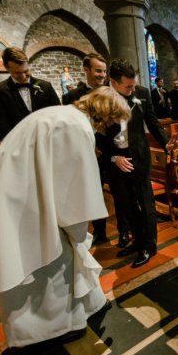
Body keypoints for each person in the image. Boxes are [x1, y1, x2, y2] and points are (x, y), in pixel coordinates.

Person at [0, 86, 130, 349]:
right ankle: (51, 328)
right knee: (52, 260)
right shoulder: (76, 127)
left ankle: (87, 307)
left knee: (59, 255)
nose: (113, 125)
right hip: (26, 203)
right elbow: (72, 193)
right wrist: (79, 232)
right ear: (105, 114)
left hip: (14, 194)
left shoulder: (59, 113)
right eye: (114, 119)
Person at [103, 59, 178, 268]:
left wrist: (167, 143)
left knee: (146, 203)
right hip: (115, 160)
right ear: (113, 82)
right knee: (126, 204)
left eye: (133, 84)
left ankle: (149, 246)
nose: (132, 89)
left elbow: (153, 122)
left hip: (138, 157)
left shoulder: (143, 93)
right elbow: (96, 136)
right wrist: (114, 157)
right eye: (128, 86)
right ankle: (137, 241)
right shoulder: (101, 97)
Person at [61, 52, 129, 246]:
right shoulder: (72, 96)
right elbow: (71, 129)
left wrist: (111, 151)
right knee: (93, 192)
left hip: (113, 153)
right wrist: (90, 147)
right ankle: (99, 231)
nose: (101, 75)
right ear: (86, 70)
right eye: (98, 70)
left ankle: (124, 231)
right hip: (87, 156)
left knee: (120, 193)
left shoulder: (113, 93)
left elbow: (118, 125)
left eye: (104, 71)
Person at [0, 47, 60, 139]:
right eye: (17, 73)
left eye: (26, 71)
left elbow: (58, 114)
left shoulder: (45, 86)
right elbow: (0, 125)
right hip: (19, 143)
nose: (23, 77)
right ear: (6, 67)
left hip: (48, 138)